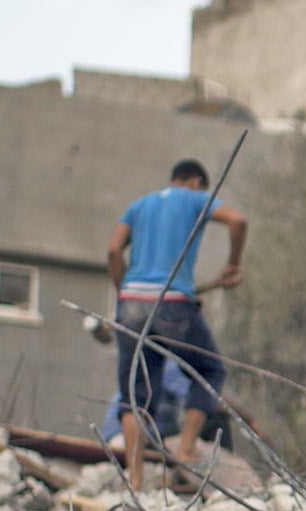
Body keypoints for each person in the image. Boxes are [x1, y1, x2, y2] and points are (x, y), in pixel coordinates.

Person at [106, 158, 247, 491]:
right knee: (210, 370)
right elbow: (237, 221)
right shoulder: (194, 198)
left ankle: (135, 479)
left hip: (132, 304)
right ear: (197, 182)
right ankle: (186, 447)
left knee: (135, 394)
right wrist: (233, 264)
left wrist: (124, 296)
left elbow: (113, 251)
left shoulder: (138, 206)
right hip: (172, 302)